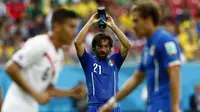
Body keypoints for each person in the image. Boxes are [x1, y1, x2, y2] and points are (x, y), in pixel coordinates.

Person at [99, 1, 181, 112]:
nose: (133, 26)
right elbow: (137, 78)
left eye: (136, 21)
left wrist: (175, 107)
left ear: (149, 20)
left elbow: (175, 72)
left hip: (165, 106)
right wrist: (112, 102)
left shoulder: (165, 40)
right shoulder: (148, 45)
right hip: (153, 105)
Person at [2, 9, 87, 112]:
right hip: (15, 107)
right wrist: (36, 94)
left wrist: (71, 92)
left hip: (31, 108)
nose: (75, 31)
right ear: (56, 26)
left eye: (76, 27)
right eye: (71, 26)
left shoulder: (59, 55)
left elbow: (48, 90)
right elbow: (11, 68)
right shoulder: (40, 43)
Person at [74, 13, 131, 112]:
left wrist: (113, 26)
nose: (103, 49)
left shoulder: (115, 60)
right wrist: (90, 22)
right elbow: (77, 43)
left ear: (110, 48)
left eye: (106, 46)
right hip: (95, 107)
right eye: (100, 46)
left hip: (113, 107)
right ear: (94, 48)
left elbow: (127, 45)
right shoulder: (88, 61)